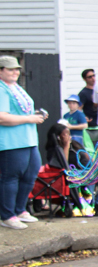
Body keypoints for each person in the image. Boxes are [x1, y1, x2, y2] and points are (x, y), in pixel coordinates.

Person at [0, 56, 46, 230]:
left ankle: (20, 209)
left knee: (30, 173)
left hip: (29, 138)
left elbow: (19, 110)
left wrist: (35, 114)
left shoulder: (16, 87)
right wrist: (29, 118)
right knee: (11, 177)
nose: (15, 72)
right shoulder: (1, 89)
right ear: (1, 70)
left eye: (17, 69)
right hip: (11, 141)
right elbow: (2, 117)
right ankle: (7, 215)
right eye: (10, 69)